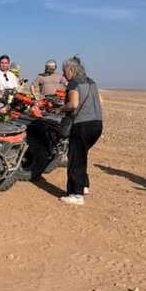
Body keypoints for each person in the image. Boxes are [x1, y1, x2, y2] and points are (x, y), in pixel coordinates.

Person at [59, 56, 103, 206]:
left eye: (65, 71)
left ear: (71, 69)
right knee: (82, 155)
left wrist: (61, 108)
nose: (64, 75)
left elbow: (73, 104)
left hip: (82, 124)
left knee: (75, 158)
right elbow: (101, 101)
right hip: (97, 124)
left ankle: (76, 194)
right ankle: (83, 186)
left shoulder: (74, 83)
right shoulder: (92, 82)